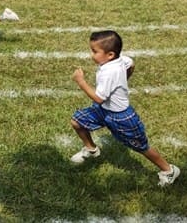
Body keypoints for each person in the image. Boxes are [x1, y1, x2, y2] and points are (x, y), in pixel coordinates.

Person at [70, 30, 180, 187]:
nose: (91, 55)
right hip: (103, 110)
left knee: (140, 146)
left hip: (120, 116)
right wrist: (124, 80)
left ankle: (169, 171)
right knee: (77, 122)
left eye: (94, 51)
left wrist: (81, 82)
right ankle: (91, 150)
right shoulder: (119, 60)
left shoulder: (108, 72)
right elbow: (131, 63)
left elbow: (98, 98)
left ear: (110, 54)